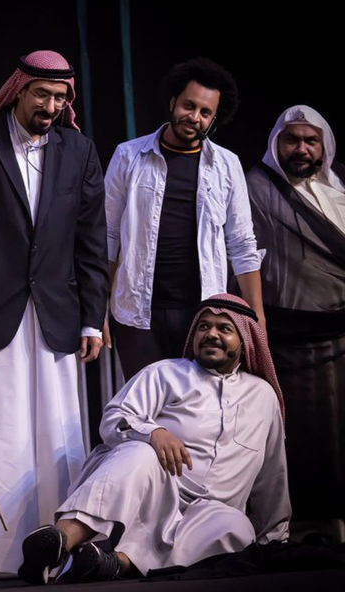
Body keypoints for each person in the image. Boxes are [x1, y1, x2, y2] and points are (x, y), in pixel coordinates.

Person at [17, 294, 290, 584]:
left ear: (245, 340)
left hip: (210, 514)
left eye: (224, 328)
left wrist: (276, 540)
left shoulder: (263, 396)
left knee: (238, 528)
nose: (211, 334)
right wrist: (153, 433)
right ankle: (59, 541)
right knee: (139, 452)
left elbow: (272, 475)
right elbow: (114, 419)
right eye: (203, 327)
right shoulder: (166, 373)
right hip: (153, 494)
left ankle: (112, 563)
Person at [0, 50, 109, 575]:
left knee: (57, 432)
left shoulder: (79, 149)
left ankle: (55, 547)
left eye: (59, 97)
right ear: (19, 90)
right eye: (41, 94)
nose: (50, 106)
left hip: (58, 310)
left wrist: (93, 317)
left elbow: (92, 239)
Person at [105, 57, 265, 381]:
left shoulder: (227, 165)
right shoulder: (128, 155)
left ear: (215, 119)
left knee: (198, 404)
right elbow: (107, 237)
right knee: (145, 404)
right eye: (188, 106)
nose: (194, 117)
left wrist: (257, 318)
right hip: (136, 314)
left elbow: (242, 245)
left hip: (203, 315)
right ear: (172, 101)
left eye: (205, 113)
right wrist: (98, 312)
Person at [246, 104, 345, 539]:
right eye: (292, 140)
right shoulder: (253, 189)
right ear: (276, 143)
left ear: (324, 146)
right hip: (290, 339)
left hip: (342, 333)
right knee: (304, 434)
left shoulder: (340, 188)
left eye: (310, 140)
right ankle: (307, 527)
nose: (301, 149)